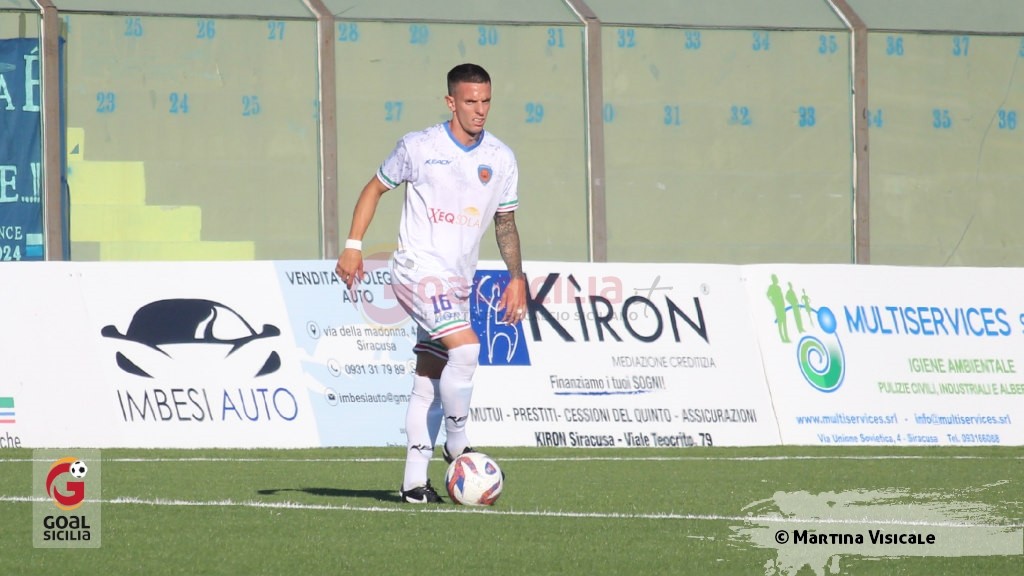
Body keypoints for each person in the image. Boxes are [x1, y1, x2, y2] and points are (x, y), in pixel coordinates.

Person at [335, 63, 526, 504]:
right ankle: (458, 444)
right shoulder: (419, 147)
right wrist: (353, 245)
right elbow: (374, 188)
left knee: (430, 377)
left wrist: (516, 277)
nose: (480, 110)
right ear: (450, 102)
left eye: (486, 101)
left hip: (457, 281)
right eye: (470, 101)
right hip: (416, 270)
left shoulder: (501, 158)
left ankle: (413, 483)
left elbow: (506, 222)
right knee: (467, 349)